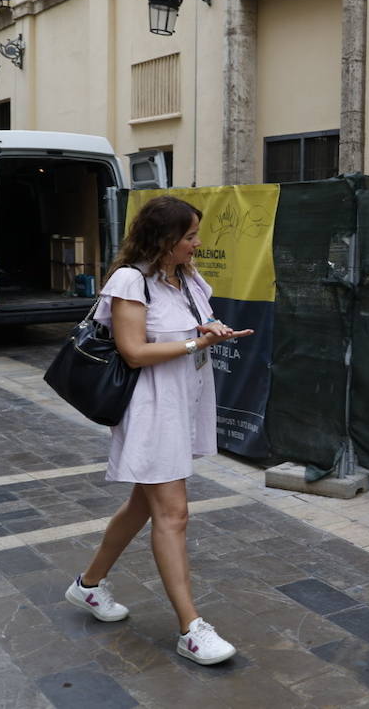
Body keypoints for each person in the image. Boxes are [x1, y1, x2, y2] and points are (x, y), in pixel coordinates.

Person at [64, 195, 253, 665]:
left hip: (182, 402)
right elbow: (133, 351)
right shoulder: (131, 280)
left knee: (141, 506)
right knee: (173, 513)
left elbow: (195, 326)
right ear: (164, 239)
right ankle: (191, 629)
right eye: (189, 237)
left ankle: (88, 586)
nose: (197, 244)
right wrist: (195, 341)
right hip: (150, 409)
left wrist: (213, 330)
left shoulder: (187, 278)